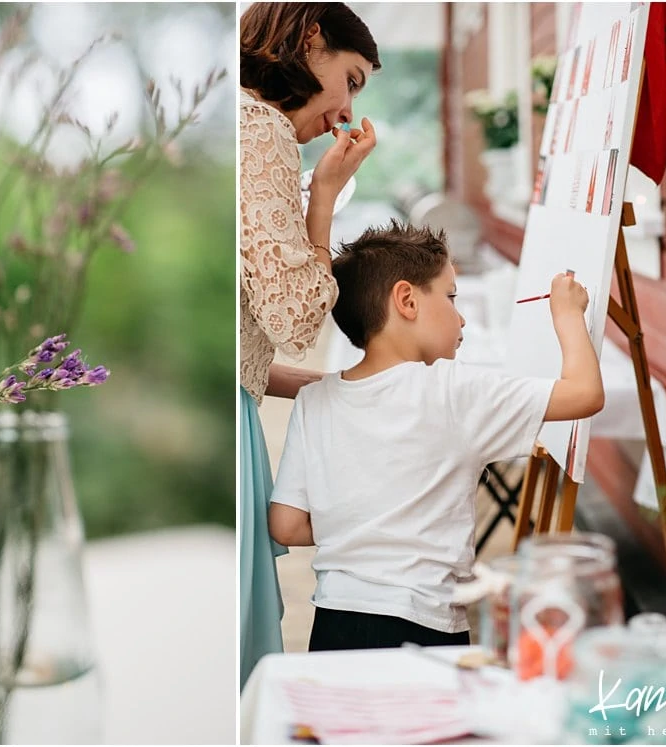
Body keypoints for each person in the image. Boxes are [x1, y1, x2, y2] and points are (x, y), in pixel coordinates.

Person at [268, 221, 604, 652]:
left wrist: (361, 523)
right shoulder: (454, 390)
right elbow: (585, 394)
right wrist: (568, 314)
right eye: (451, 297)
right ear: (407, 300)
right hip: (422, 625)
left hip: (334, 622)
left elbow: (288, 525)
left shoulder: (314, 401)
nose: (460, 315)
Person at [239, 2, 380, 688]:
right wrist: (323, 193)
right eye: (351, 80)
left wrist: (319, 385)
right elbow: (295, 319)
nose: (345, 111)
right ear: (310, 38)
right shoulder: (261, 131)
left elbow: (243, 342)